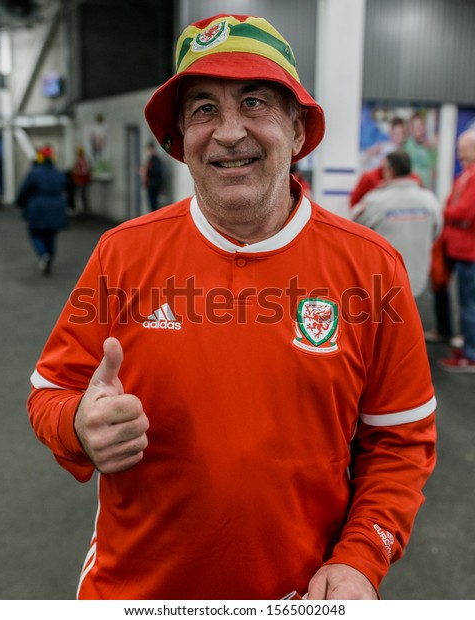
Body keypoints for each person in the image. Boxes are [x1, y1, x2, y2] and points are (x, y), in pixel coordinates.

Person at [27, 14, 436, 600]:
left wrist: (363, 557)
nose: (228, 132)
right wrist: (77, 425)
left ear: (297, 130)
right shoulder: (122, 254)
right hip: (132, 594)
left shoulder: (372, 270)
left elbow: (401, 439)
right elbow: (48, 393)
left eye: (253, 102)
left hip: (298, 597)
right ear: (181, 141)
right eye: (204, 110)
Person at [352, 150, 442, 299]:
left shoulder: (375, 201)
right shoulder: (429, 199)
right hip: (418, 280)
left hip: (384, 281)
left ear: (390, 171)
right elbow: (436, 231)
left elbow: (353, 229)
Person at [438, 129, 475, 372]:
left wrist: (450, 214)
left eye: (464, 149)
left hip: (469, 253)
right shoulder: (465, 175)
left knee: (469, 304)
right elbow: (453, 206)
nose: (459, 154)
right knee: (465, 303)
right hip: (460, 250)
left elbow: (463, 213)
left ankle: (470, 355)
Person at [16, 145, 68, 275]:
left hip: (38, 206)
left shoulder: (34, 173)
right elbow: (66, 187)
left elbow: (25, 190)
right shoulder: (59, 173)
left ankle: (44, 254)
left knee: (35, 233)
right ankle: (49, 255)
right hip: (57, 206)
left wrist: (19, 203)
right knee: (51, 235)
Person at [141, 141, 164, 211]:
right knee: (151, 203)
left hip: (154, 185)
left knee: (154, 203)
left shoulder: (156, 159)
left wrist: (147, 171)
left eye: (150, 149)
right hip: (150, 185)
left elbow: (157, 171)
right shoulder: (150, 159)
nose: (148, 152)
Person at [70, 146, 92, 214]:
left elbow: (83, 171)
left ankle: (83, 210)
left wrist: (75, 171)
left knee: (82, 195)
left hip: (81, 181)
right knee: (82, 195)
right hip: (81, 181)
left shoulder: (81, 161)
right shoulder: (83, 160)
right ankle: (83, 210)